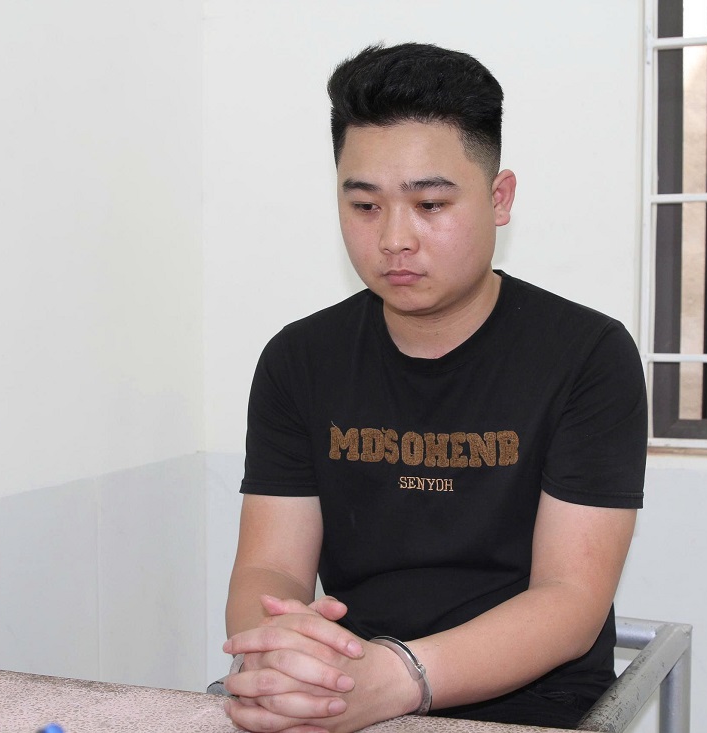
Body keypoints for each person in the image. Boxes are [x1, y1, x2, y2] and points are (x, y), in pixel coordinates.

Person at [222, 42, 647, 733]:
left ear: (499, 198)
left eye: (430, 203)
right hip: (349, 687)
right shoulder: (299, 360)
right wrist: (282, 654)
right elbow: (270, 568)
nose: (395, 238)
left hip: (530, 708)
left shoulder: (586, 357)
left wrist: (399, 677)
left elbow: (570, 598)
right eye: (365, 205)